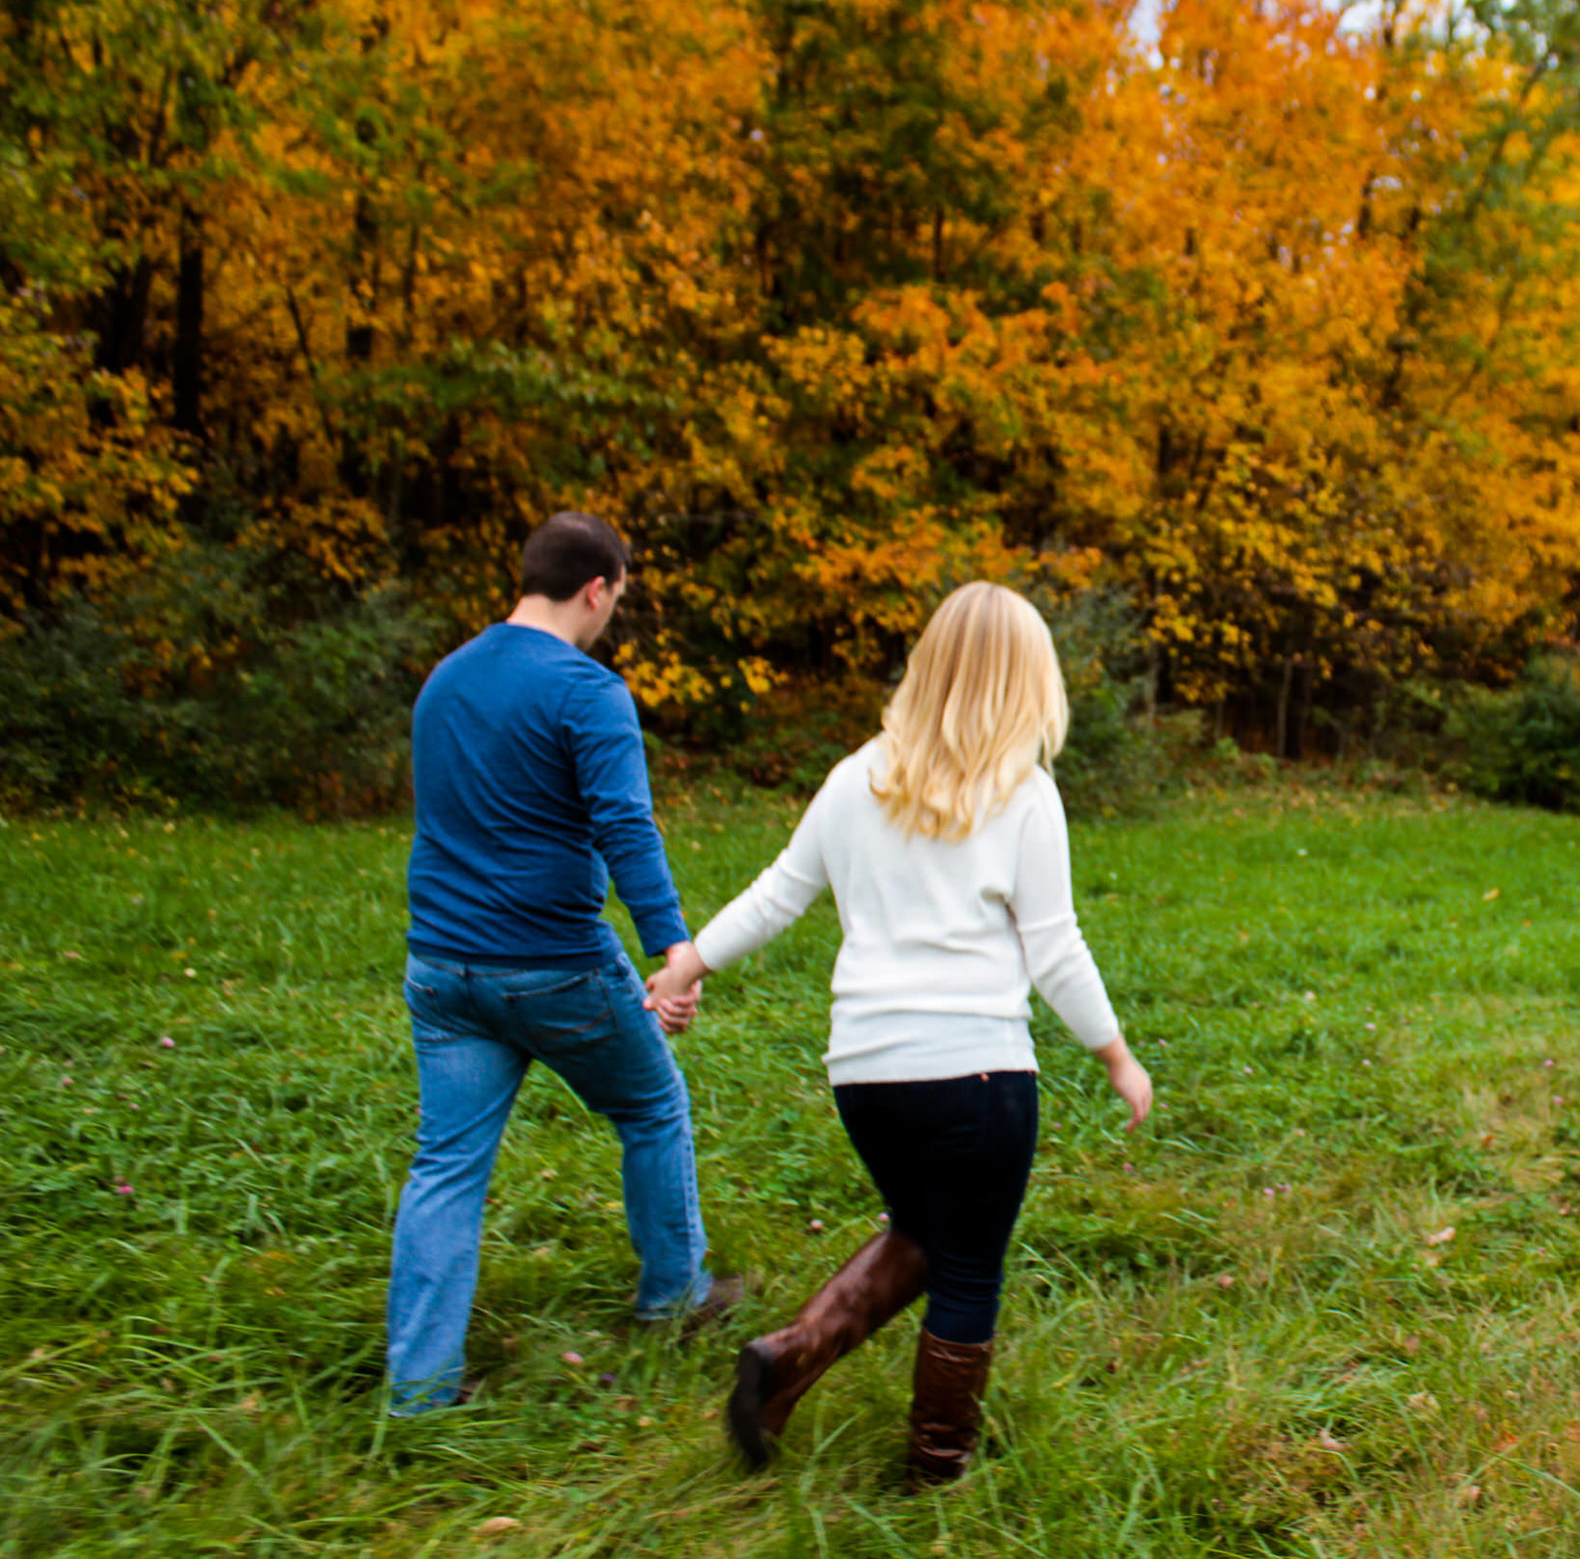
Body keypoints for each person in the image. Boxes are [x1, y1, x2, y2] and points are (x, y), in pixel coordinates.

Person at [644, 581, 1152, 1488]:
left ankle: (787, 1359)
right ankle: (935, 1471)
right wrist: (1114, 1052)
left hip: (865, 1074)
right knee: (969, 1270)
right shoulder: (1025, 794)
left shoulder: (855, 778)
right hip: (979, 1073)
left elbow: (775, 896)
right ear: (1023, 684)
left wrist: (688, 966)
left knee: (924, 1228)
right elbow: (1056, 947)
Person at [386, 510, 739, 1415]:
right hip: (554, 966)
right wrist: (675, 952)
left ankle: (417, 1391)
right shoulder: (588, 691)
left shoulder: (444, 680)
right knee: (652, 1102)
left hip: (441, 970)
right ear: (597, 587)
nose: (614, 613)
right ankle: (676, 1298)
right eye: (618, 597)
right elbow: (624, 825)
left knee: (446, 1166)